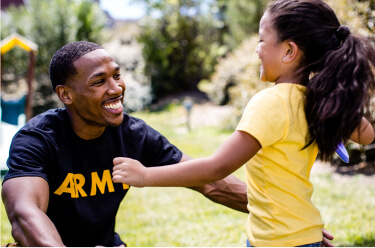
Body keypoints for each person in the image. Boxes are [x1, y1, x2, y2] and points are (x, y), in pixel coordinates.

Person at [112, 0, 375, 247]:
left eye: (262, 40)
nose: (257, 48)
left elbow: (217, 167)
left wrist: (146, 175)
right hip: (306, 231)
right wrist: (330, 91)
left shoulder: (271, 102)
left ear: (288, 51)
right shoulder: (314, 100)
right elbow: (367, 135)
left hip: (276, 240)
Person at [1, 41, 251, 247]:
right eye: (99, 82)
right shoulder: (37, 139)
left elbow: (208, 181)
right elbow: (25, 213)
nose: (116, 88)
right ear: (66, 94)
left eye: (117, 76)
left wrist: (281, 207)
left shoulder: (133, 133)